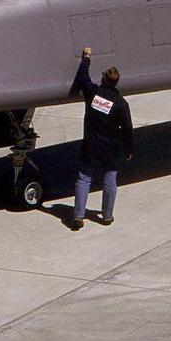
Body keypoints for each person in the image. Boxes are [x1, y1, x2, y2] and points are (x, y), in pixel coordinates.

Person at [68, 47, 134, 230]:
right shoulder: (121, 104)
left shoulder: (93, 94)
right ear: (117, 82)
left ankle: (78, 216)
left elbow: (82, 76)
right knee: (110, 181)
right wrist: (129, 149)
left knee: (83, 178)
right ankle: (106, 216)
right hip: (112, 148)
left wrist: (86, 58)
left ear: (104, 78)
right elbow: (128, 128)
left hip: (91, 145)